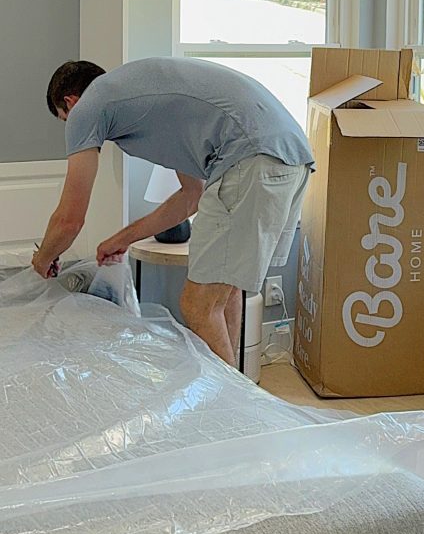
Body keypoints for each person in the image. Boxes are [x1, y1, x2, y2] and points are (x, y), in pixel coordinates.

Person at [36, 57, 314, 365]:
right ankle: (233, 394)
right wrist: (123, 238)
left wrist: (42, 260)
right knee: (225, 292)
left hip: (251, 157)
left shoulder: (88, 106)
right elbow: (190, 196)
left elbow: (69, 220)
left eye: (65, 119)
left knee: (197, 304)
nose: (72, 128)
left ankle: (230, 406)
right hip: (289, 157)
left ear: (70, 102)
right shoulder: (143, 100)